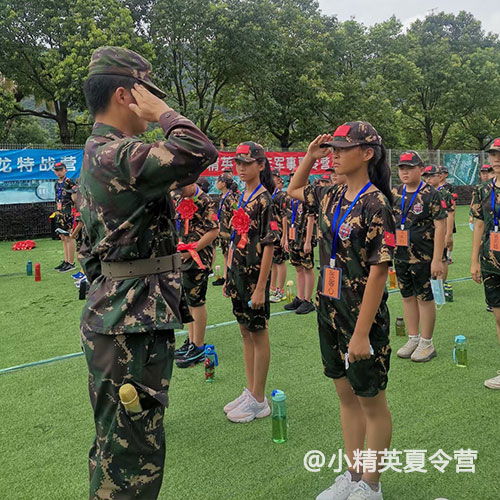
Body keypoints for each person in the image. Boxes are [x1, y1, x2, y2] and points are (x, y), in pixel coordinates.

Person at [78, 46, 218, 499]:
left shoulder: (99, 153)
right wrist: (164, 114)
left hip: (120, 314)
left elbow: (88, 250)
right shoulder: (117, 154)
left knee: (117, 448)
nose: (153, 103)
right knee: (132, 458)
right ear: (124, 95)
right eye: (146, 93)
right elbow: (199, 149)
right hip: (129, 322)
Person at [288, 122, 395, 500]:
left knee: (371, 401)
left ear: (367, 153)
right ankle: (352, 474)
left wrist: (362, 333)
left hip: (361, 317)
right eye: (331, 148)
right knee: (346, 397)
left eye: (342, 148)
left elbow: (379, 272)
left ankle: (371, 484)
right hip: (329, 308)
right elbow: (294, 190)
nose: (333, 154)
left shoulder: (376, 203)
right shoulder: (331, 193)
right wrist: (308, 157)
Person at [222, 141, 279, 423]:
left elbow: (269, 244)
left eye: (247, 163)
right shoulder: (240, 197)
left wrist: (260, 287)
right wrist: (228, 273)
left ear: (261, 165)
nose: (241, 168)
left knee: (258, 332)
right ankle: (251, 390)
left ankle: (259, 398)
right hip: (238, 274)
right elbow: (235, 238)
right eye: (238, 163)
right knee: (245, 331)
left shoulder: (265, 200)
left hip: (255, 278)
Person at [393, 151, 446, 363]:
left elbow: (440, 226)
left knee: (425, 298)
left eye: (410, 167)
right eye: (402, 168)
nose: (405, 172)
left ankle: (426, 342)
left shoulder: (431, 194)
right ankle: (413, 338)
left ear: (421, 169)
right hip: (401, 255)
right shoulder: (395, 192)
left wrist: (437, 259)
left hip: (423, 257)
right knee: (407, 296)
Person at [174, 183, 219, 367]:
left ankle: (198, 346)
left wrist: (192, 249)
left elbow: (214, 230)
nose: (180, 192)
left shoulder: (206, 201)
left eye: (182, 187)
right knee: (188, 301)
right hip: (183, 257)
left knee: (197, 300)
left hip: (198, 258)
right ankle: (192, 341)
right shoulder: (181, 199)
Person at [470, 137, 500, 388]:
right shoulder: (483, 190)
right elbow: (479, 224)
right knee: (499, 317)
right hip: (490, 261)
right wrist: (474, 261)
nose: (497, 159)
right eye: (493, 154)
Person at [284, 170, 316, 315]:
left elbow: (311, 219)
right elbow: (287, 218)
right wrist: (286, 238)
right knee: (298, 268)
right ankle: (300, 297)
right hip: (294, 238)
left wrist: (308, 241)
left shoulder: (308, 196)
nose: (293, 181)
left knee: (307, 267)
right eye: (291, 178)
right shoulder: (291, 198)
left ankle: (308, 300)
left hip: (304, 238)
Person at [423, 165, 455, 282]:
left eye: (432, 176)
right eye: (426, 176)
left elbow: (450, 214)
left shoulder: (444, 194)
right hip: (425, 234)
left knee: (442, 258)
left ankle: (441, 284)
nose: (428, 179)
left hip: (440, 232)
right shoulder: (422, 193)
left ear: (440, 177)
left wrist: (448, 235)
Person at [213, 173, 237, 286]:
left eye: (218, 181)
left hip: (228, 231)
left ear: (223, 184)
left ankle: (231, 277)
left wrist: (232, 221)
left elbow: (236, 211)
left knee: (230, 254)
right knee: (225, 254)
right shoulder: (220, 197)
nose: (217, 183)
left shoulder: (230, 198)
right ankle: (225, 276)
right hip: (221, 231)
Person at [53, 161, 76, 272]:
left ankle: (71, 263)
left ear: (65, 170)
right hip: (60, 212)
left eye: (61, 170)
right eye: (57, 170)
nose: (59, 172)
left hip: (69, 212)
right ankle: (66, 261)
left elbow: (76, 196)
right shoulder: (56, 183)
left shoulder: (69, 182)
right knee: (62, 236)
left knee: (69, 236)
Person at [269, 169, 288, 302]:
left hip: (279, 232)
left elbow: (284, 216)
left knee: (280, 261)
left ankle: (280, 290)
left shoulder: (281, 195)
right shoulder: (269, 194)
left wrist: (284, 236)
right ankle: (273, 287)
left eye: (274, 177)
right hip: (271, 232)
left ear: (279, 179)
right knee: (273, 261)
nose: (271, 179)